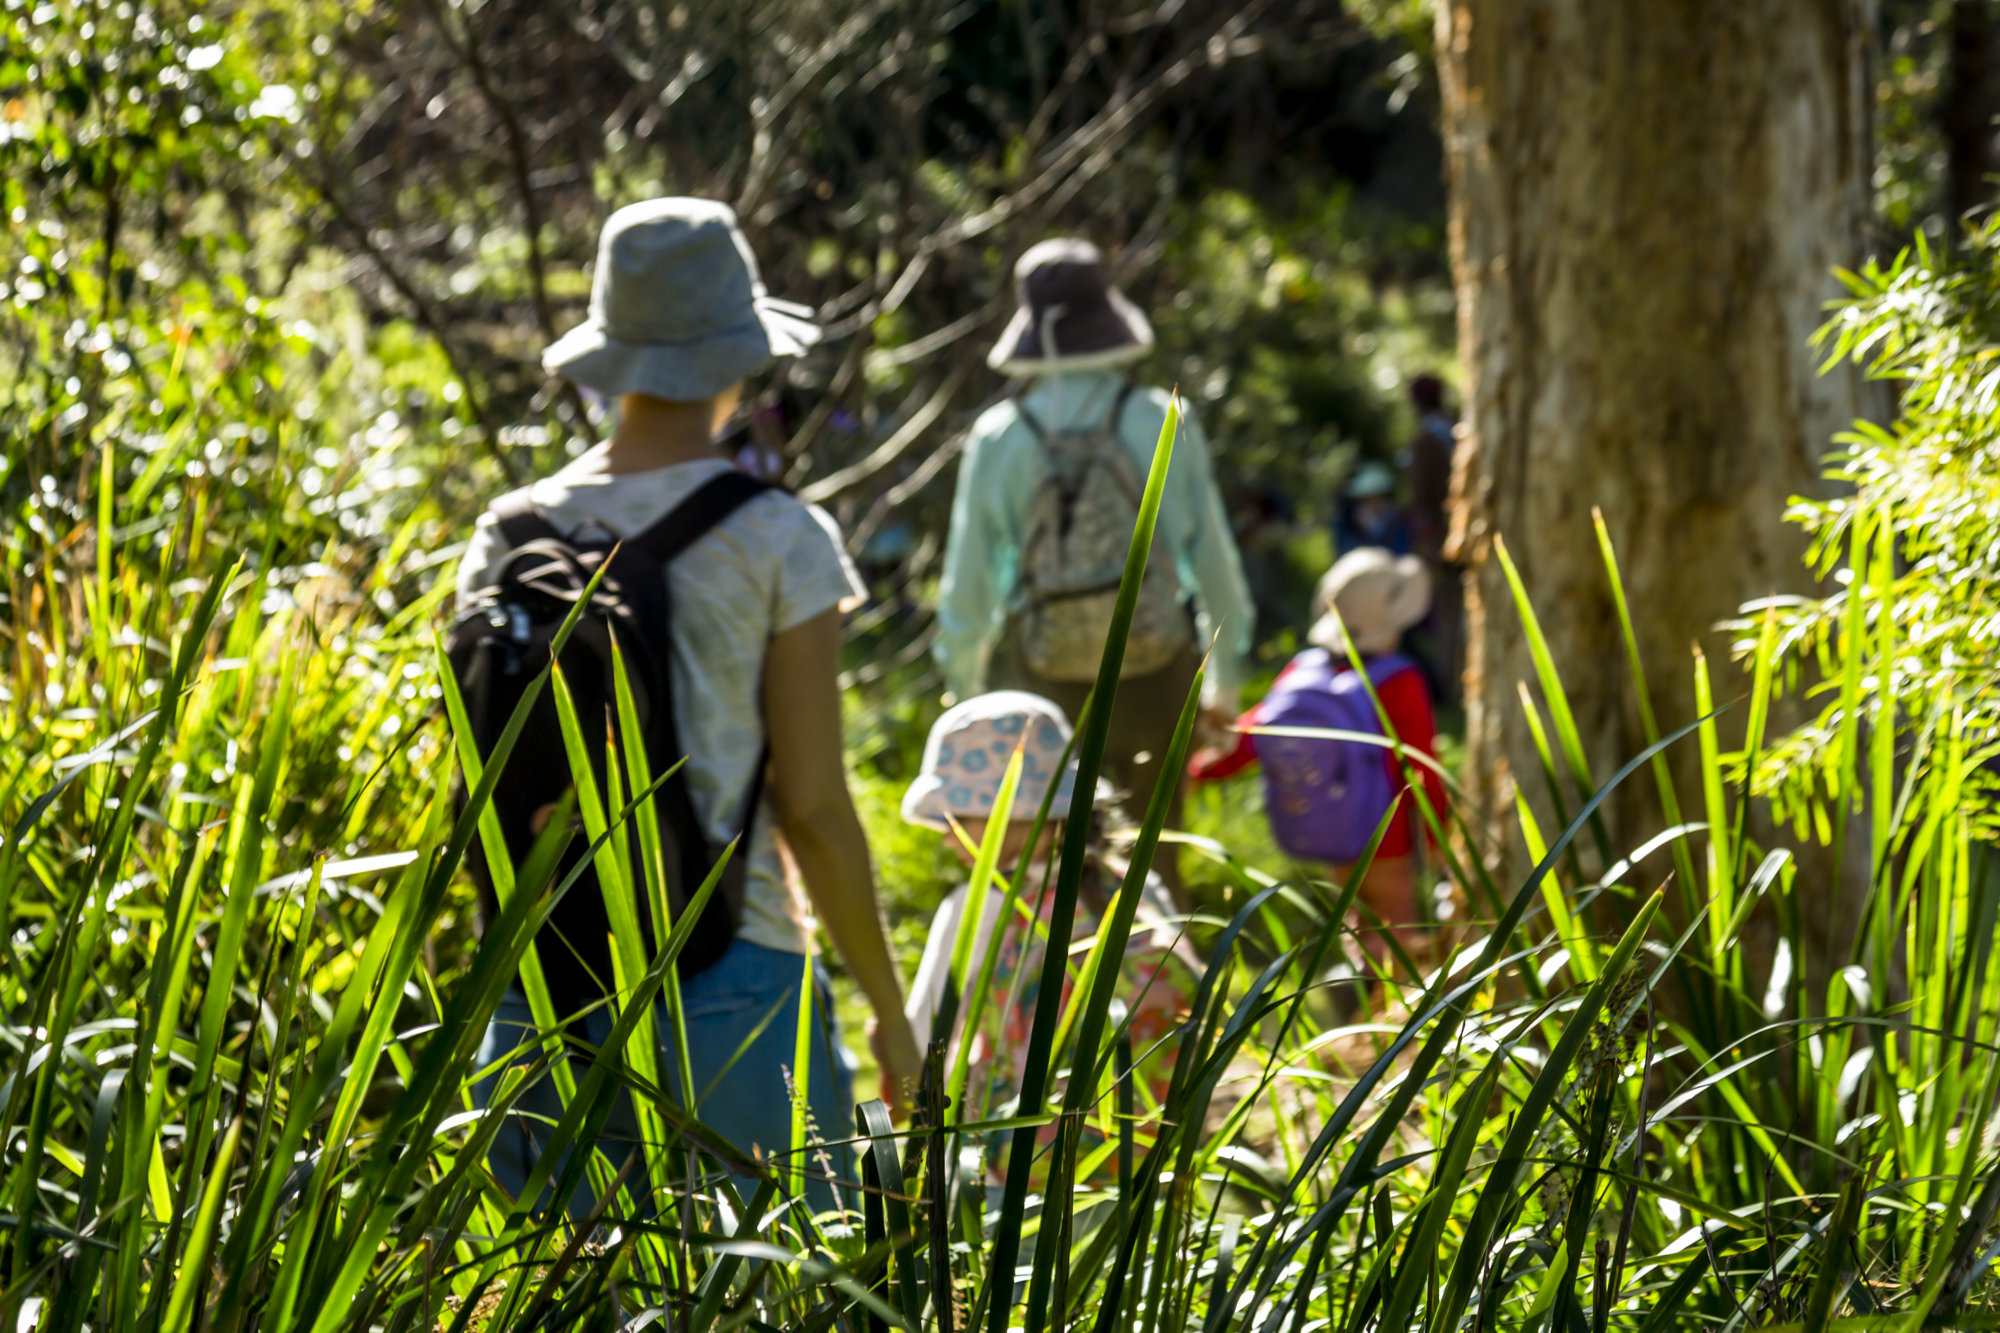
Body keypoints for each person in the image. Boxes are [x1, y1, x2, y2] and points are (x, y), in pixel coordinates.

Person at [455, 197, 921, 1213]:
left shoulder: (505, 533)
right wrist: (889, 1012)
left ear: (611, 355)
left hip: (542, 988)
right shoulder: (776, 537)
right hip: (731, 980)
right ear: (737, 357)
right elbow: (810, 802)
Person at [934, 239, 1255, 901]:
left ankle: (1044, 995)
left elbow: (968, 586)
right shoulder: (1163, 418)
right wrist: (1225, 681)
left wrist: (966, 694)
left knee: (1044, 858)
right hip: (1155, 665)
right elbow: (1213, 560)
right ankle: (1159, 989)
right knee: (1153, 850)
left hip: (1042, 675)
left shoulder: (1000, 434)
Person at [899, 692, 1197, 1178]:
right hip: (1134, 1153)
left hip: (1012, 1163)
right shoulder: (1128, 880)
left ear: (1014, 812)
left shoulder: (976, 907)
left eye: (957, 818)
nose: (946, 836)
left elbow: (920, 1035)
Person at [1187, 548, 1447, 972]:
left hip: (1334, 831)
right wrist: (1438, 836)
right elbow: (1421, 766)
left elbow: (1255, 735)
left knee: (1359, 919)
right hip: (1388, 835)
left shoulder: (1302, 670)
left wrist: (1200, 770)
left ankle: (1363, 999)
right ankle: (1393, 1016)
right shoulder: (1399, 680)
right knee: (1397, 921)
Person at [1400, 373, 1463, 706]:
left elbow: (1422, 499)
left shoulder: (1424, 440)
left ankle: (1452, 685)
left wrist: (1427, 545)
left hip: (1442, 541)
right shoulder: (1457, 429)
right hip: (1469, 532)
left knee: (1448, 614)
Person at [1332, 459, 1413, 558]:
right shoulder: (1348, 523)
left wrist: (1376, 528)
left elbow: (1400, 553)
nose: (1373, 502)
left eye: (1378, 496)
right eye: (1366, 498)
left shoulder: (1400, 521)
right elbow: (1345, 554)